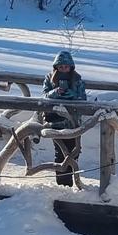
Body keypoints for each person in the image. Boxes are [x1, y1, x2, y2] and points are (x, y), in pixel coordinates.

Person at [42, 50, 87, 186]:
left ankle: (72, 180)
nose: (63, 69)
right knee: (60, 152)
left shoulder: (77, 79)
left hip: (73, 122)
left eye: (66, 66)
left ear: (71, 67)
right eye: (60, 67)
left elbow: (83, 98)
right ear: (56, 67)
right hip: (55, 121)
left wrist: (72, 95)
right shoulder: (49, 78)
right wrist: (55, 93)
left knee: (74, 151)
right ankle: (62, 184)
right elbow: (44, 96)